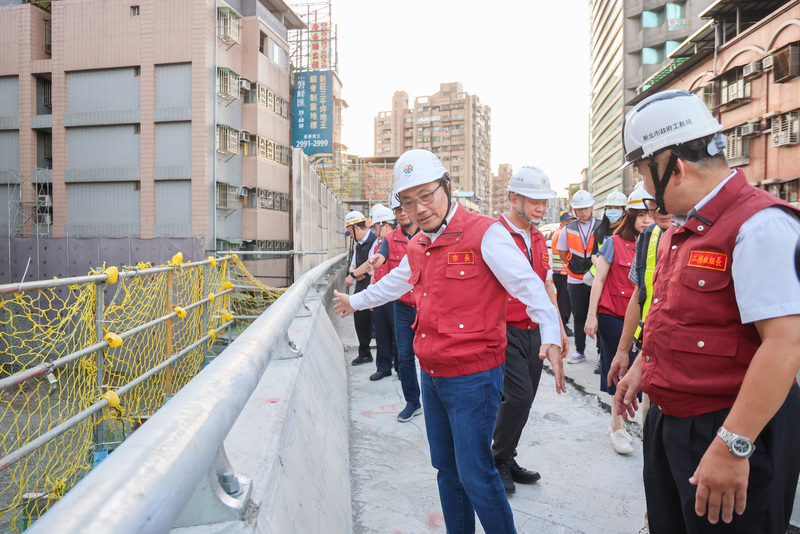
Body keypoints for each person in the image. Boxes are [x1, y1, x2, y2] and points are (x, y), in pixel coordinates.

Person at [333, 149, 564, 534]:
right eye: (409, 201)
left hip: (474, 376)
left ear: (446, 187)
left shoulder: (484, 232)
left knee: (476, 473)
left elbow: (529, 284)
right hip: (433, 373)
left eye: (427, 195)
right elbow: (396, 281)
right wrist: (355, 300)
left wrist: (552, 334)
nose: (420, 208)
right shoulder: (419, 243)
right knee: (445, 467)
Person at [613, 89, 800, 533]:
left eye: (642, 170)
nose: (643, 188)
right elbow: (678, 316)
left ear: (673, 167)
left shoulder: (760, 225)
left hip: (728, 426)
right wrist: (643, 365)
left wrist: (732, 445)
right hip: (673, 421)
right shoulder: (687, 229)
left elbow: (785, 344)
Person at [492, 166, 570, 494]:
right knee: (518, 397)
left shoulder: (539, 237)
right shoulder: (495, 233)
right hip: (504, 330)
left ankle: (507, 457)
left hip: (534, 330)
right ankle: (495, 460)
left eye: (544, 202)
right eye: (535, 201)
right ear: (514, 198)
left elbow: (547, 283)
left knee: (528, 398)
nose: (541, 208)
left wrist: (558, 328)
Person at [607, 184, 674, 534]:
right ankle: (653, 521)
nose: (656, 209)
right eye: (650, 204)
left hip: (699, 373)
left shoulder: (713, 231)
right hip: (651, 356)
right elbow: (641, 294)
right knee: (655, 454)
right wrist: (624, 352)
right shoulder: (649, 237)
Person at [584, 188, 653, 454]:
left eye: (650, 214)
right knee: (620, 365)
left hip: (641, 317)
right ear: (630, 216)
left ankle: (632, 421)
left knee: (642, 369)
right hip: (612, 314)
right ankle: (617, 425)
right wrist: (591, 316)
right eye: (641, 214)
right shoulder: (613, 242)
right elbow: (598, 280)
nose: (646, 220)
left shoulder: (654, 242)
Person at [363, 197, 424, 421]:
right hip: (402, 306)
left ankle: (436, 401)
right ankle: (412, 402)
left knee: (430, 356)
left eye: (405, 208)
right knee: (406, 356)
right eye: (397, 210)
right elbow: (381, 256)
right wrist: (376, 260)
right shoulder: (390, 239)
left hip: (427, 306)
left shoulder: (428, 234)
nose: (402, 213)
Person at [351, 205, 398, 381]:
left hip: (394, 296)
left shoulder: (400, 243)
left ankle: (400, 366)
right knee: (381, 333)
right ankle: (383, 367)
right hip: (379, 296)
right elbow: (373, 271)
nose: (374, 231)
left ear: (386, 225)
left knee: (397, 334)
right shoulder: (379, 245)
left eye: (376, 227)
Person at [557, 189, 600, 364]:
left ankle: (601, 352)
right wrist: (571, 263)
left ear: (592, 207)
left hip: (596, 278)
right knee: (579, 314)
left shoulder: (600, 226)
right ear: (574, 210)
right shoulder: (568, 229)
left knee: (600, 315)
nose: (583, 211)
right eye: (579, 208)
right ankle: (580, 351)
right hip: (575, 278)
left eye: (586, 208)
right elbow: (562, 252)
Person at [343, 210, 377, 366]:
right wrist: (354, 272)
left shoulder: (375, 242)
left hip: (374, 285)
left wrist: (353, 275)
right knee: (360, 319)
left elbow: (370, 265)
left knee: (379, 322)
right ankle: (364, 353)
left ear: (356, 228)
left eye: (350, 231)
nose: (349, 235)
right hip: (361, 285)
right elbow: (354, 263)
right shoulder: (359, 244)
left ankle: (388, 358)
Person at [551, 212, 576, 337]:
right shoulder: (562, 233)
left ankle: (562, 324)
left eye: (573, 220)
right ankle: (563, 326)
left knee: (564, 300)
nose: (571, 223)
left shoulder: (561, 232)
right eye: (568, 221)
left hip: (561, 271)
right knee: (564, 301)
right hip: (562, 271)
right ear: (562, 222)